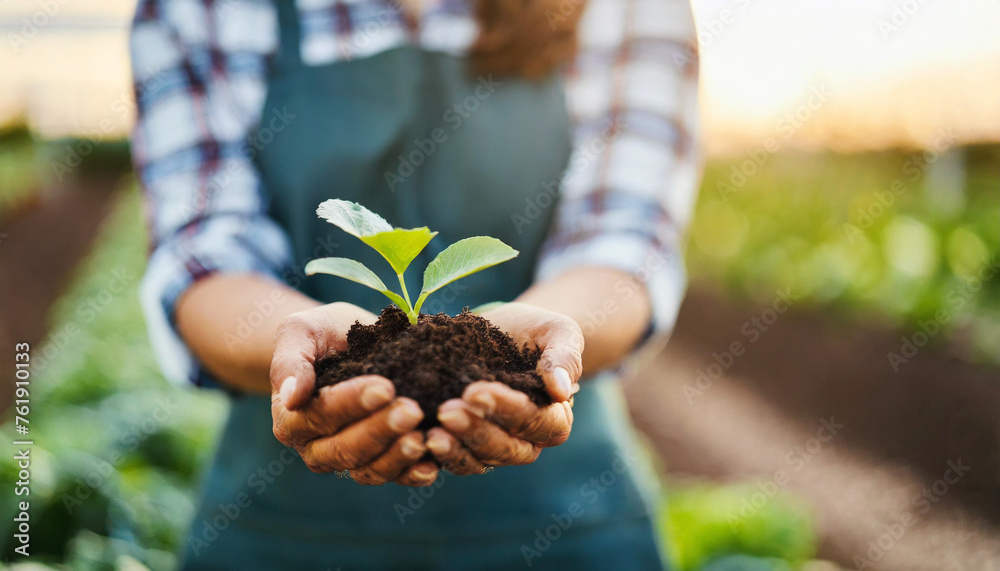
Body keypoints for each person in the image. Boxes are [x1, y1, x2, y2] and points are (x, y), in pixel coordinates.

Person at [130, 0, 699, 568]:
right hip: (286, 533)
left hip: (564, 526)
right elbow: (207, 254)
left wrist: (531, 353)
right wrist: (298, 345)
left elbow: (623, 245)